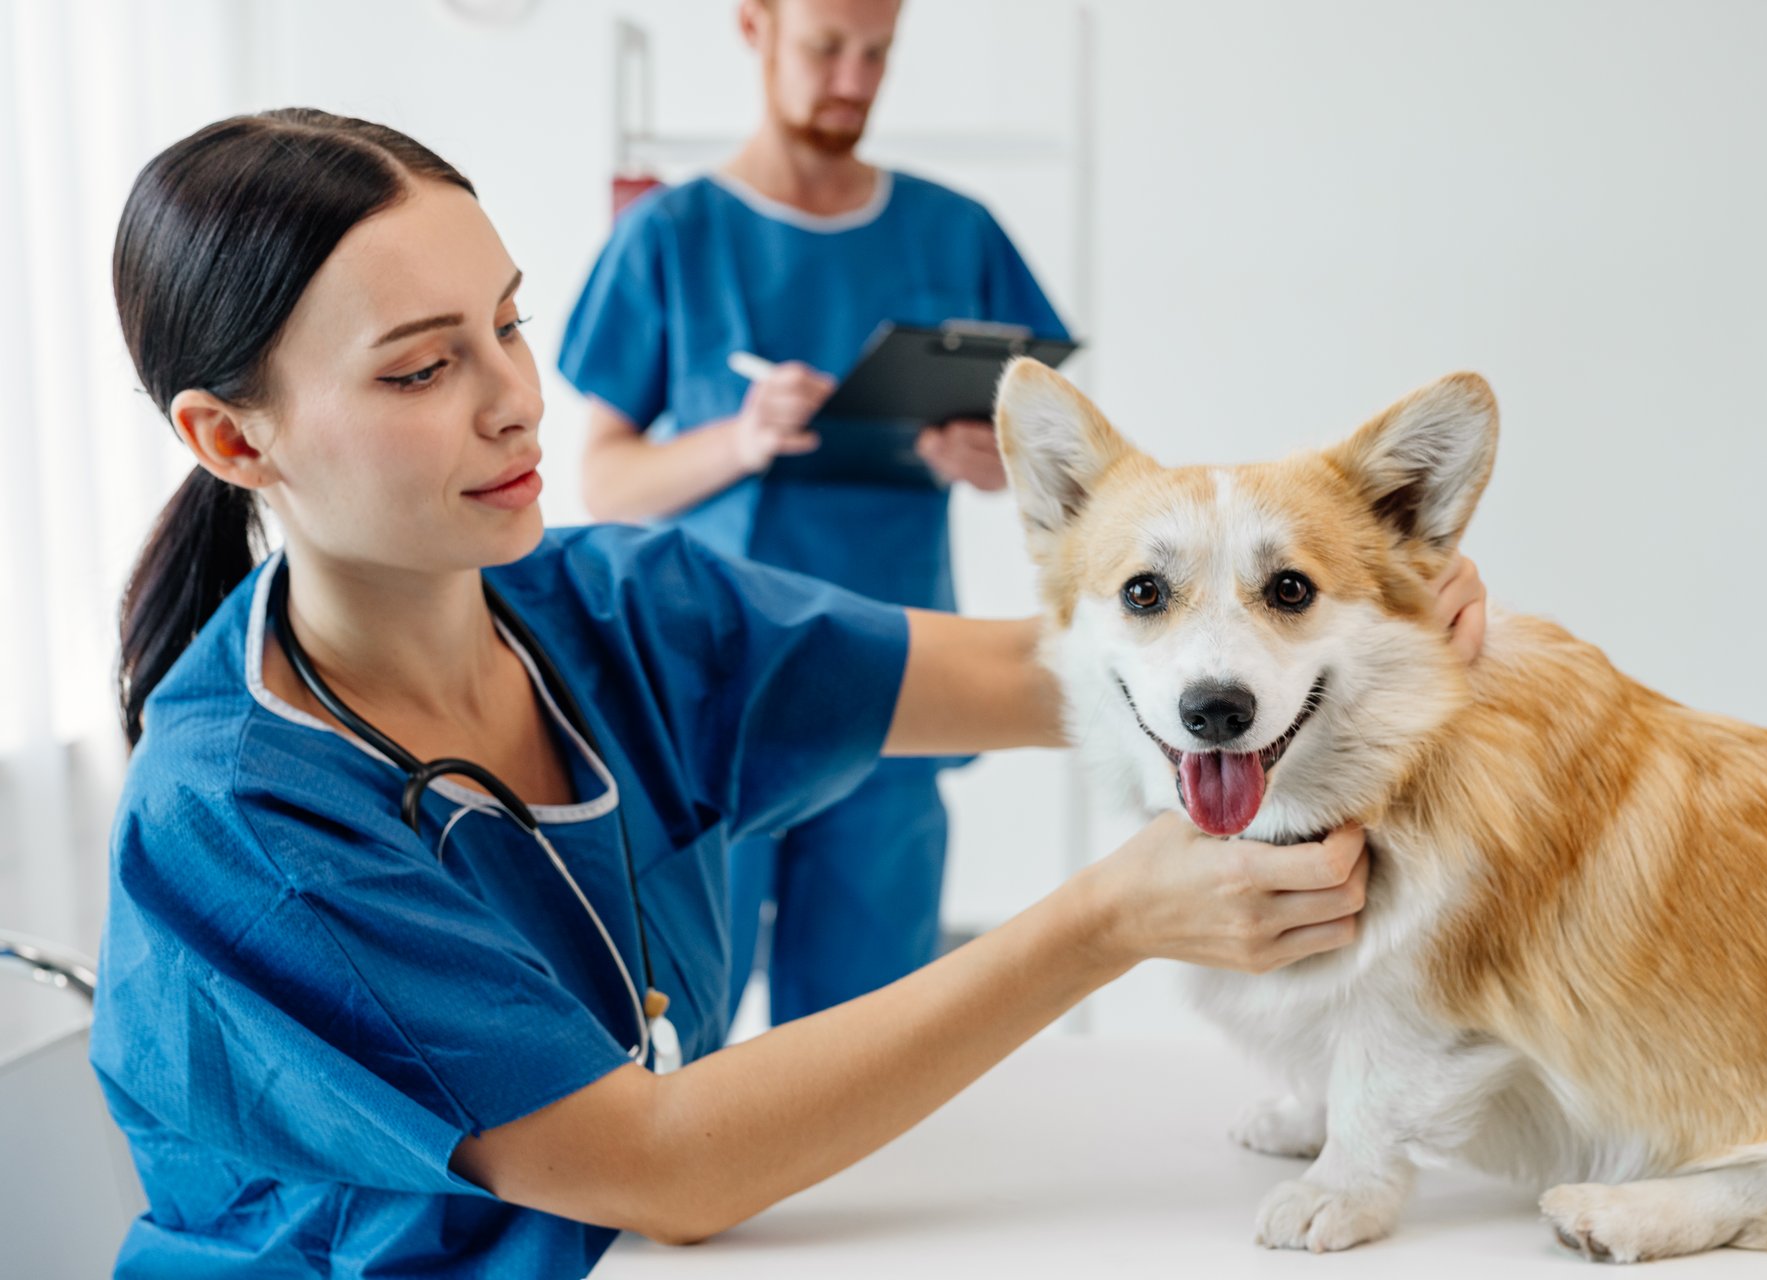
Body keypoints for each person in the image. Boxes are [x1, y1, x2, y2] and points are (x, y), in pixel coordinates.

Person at [91, 109, 1488, 1278]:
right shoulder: (244, 813)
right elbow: (661, 1169)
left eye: (509, 325)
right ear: (230, 436)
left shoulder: (628, 612)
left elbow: (1044, 673)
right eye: (421, 367)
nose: (515, 398)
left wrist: (1347, 629)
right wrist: (1104, 923)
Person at [558, 0, 1072, 1026]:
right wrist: (740, 441)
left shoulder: (954, 232)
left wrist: (985, 455)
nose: (853, 78)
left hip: (900, 676)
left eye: (876, 52)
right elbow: (604, 481)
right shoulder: (673, 236)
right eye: (826, 47)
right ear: (755, 28)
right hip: (715, 692)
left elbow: (1048, 455)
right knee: (679, 1031)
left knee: (869, 1036)